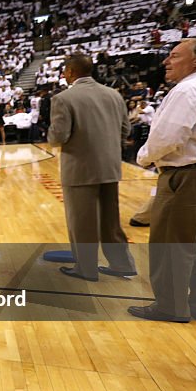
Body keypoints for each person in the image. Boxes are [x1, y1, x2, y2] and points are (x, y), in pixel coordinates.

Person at [130, 39, 196, 322]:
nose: (166, 61)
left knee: (171, 244)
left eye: (175, 55)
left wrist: (143, 157)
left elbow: (168, 137)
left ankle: (170, 306)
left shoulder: (188, 89)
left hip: (188, 175)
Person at [47, 55, 136, 281]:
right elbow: (126, 130)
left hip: (80, 168)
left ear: (70, 72)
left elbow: (59, 136)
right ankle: (122, 264)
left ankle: (85, 269)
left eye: (65, 71)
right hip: (110, 166)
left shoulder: (63, 98)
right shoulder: (114, 94)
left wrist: (50, 137)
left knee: (82, 222)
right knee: (111, 220)